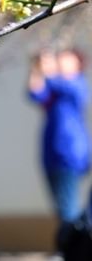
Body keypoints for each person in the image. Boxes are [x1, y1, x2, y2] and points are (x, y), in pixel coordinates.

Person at [29, 49, 91, 222]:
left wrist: (47, 70)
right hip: (51, 153)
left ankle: (73, 246)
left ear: (78, 65)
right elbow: (34, 93)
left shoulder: (77, 84)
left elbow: (55, 83)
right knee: (61, 205)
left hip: (69, 153)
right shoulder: (54, 89)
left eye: (66, 59)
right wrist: (36, 69)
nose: (60, 62)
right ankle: (73, 244)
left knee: (68, 206)